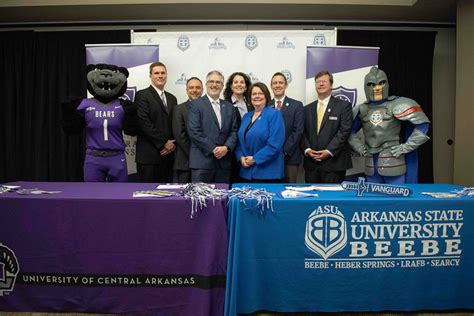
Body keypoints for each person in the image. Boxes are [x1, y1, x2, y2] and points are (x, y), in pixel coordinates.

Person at [349, 66, 430, 184]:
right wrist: (359, 147)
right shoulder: (361, 109)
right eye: (371, 84)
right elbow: (347, 131)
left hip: (394, 161)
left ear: (387, 84)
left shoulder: (398, 104)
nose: (377, 88)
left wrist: (405, 147)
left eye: (381, 83)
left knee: (397, 200)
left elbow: (422, 125)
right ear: (366, 87)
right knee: (373, 200)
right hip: (371, 165)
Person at [61, 64, 138, 182]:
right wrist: (68, 113)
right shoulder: (85, 104)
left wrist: (133, 115)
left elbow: (132, 130)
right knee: (92, 195)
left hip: (116, 156)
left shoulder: (122, 105)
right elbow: (72, 129)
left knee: (120, 195)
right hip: (94, 157)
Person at [302, 70, 353, 183]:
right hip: (311, 165)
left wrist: (329, 151)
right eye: (318, 82)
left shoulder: (343, 106)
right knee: (311, 199)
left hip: (334, 164)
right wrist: (308, 149)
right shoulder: (307, 109)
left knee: (332, 200)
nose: (320, 84)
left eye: (324, 81)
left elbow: (344, 131)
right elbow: (302, 132)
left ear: (331, 85)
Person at [187, 70, 238, 183]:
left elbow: (234, 131)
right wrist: (214, 149)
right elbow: (194, 132)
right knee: (200, 200)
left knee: (221, 199)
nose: (214, 85)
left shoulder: (229, 107)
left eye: (218, 82)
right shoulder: (195, 105)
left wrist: (226, 147)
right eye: (211, 81)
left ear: (222, 86)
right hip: (202, 163)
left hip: (223, 164)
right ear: (206, 84)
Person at [135, 61, 177, 183]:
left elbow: (174, 124)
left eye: (163, 73)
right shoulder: (142, 95)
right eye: (156, 73)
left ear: (167, 75)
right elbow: (144, 123)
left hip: (168, 157)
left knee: (168, 196)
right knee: (147, 197)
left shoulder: (172, 98)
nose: (160, 76)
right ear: (150, 76)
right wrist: (163, 143)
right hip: (148, 157)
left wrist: (172, 145)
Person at [235, 82, 285, 183]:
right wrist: (240, 157)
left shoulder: (274, 114)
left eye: (260, 93)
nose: (257, 96)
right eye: (254, 94)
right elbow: (239, 141)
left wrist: (254, 159)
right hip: (246, 172)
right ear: (250, 97)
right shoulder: (246, 117)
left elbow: (275, 145)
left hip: (267, 174)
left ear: (266, 96)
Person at [269, 72, 304, 183]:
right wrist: (271, 151)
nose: (277, 85)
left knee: (290, 191)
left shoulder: (297, 105)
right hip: (269, 158)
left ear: (286, 85)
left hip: (290, 157)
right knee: (272, 191)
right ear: (271, 86)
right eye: (275, 83)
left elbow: (298, 131)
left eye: (280, 82)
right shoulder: (265, 106)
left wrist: (283, 151)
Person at [171, 77, 203, 183]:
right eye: (191, 88)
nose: (194, 90)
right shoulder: (179, 109)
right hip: (184, 162)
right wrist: (196, 154)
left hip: (205, 164)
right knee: (181, 197)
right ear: (186, 90)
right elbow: (180, 135)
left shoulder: (209, 109)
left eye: (198, 88)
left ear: (202, 90)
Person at [223, 72, 252, 183]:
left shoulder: (252, 104)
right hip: (231, 153)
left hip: (249, 151)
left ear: (246, 87)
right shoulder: (224, 104)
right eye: (236, 82)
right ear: (231, 86)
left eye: (242, 82)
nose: (239, 85)